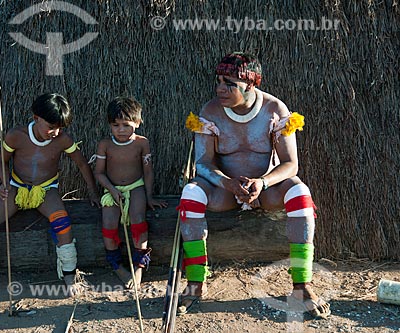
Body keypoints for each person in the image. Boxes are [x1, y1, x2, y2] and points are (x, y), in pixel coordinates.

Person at [176, 52, 331, 318]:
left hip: (267, 190)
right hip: (224, 191)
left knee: (300, 193)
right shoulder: (210, 111)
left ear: (250, 85)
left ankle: (302, 285)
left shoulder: (275, 110)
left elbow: (290, 164)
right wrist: (227, 182)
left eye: (229, 84)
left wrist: (262, 182)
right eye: (219, 81)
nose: (220, 89)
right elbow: (203, 163)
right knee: (190, 193)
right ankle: (195, 283)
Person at [0, 92, 100, 301]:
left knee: (62, 223)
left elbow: (82, 164)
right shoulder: (16, 135)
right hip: (16, 186)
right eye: (51, 126)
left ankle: (69, 276)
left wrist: (92, 192)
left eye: (60, 127)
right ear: (36, 118)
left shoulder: (63, 139)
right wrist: (4, 185)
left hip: (46, 189)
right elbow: (1, 162)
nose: (55, 132)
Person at [93, 96, 167, 289]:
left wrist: (149, 196)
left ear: (137, 122)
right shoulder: (105, 145)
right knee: (109, 224)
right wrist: (112, 190)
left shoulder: (142, 143)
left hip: (136, 186)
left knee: (137, 219)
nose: (121, 130)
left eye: (126, 125)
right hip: (112, 188)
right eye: (115, 125)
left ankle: (139, 265)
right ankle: (117, 266)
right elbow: (99, 173)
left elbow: (148, 171)